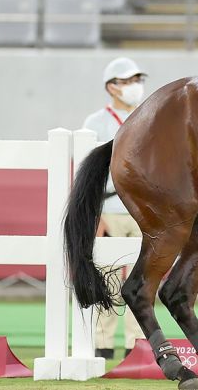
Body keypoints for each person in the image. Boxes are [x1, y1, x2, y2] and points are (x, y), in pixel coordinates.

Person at [82, 57, 148, 359]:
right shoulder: (95, 122)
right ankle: (103, 343)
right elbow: (88, 175)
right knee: (107, 279)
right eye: (127, 81)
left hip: (144, 208)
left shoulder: (152, 115)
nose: (135, 86)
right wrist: (94, 216)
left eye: (137, 80)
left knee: (142, 280)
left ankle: (138, 343)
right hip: (108, 208)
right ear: (112, 87)